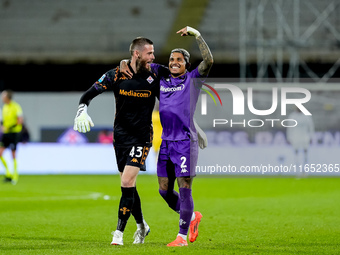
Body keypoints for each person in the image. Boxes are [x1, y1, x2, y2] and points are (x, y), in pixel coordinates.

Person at [121, 26, 213, 247]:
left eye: (179, 60)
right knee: (164, 190)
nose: (174, 62)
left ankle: (181, 237)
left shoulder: (192, 79)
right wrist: (127, 61)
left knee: (184, 186)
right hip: (165, 143)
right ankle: (192, 217)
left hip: (184, 142)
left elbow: (208, 61)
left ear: (186, 64)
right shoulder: (162, 77)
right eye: (172, 59)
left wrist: (197, 35)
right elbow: (140, 61)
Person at [73, 37, 159, 245]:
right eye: (149, 53)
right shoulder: (115, 74)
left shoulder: (155, 75)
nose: (153, 57)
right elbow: (88, 94)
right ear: (137, 54)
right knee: (129, 185)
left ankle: (118, 233)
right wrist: (81, 110)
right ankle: (142, 226)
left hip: (142, 137)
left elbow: (172, 94)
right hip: (120, 137)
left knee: (126, 181)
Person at [0, 90, 23, 185]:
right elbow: (3, 121)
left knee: (13, 154)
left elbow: (20, 121)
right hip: (6, 133)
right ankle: (8, 173)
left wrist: (8, 127)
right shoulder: (4, 107)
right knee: (0, 153)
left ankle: (15, 175)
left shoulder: (16, 107)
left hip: (14, 133)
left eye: (3, 96)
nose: (2, 98)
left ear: (7, 97)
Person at [287, 107, 314, 175]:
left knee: (305, 154)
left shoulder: (307, 116)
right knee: (296, 153)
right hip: (295, 137)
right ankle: (297, 170)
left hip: (305, 137)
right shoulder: (292, 116)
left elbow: (311, 127)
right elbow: (289, 128)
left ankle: (305, 170)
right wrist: (289, 138)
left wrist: (311, 137)